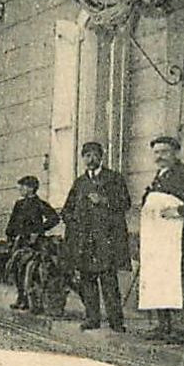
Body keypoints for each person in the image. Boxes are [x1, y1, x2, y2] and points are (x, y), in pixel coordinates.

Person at [139, 136, 184, 343]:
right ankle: (163, 325)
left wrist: (180, 210)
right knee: (158, 278)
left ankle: (180, 328)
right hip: (156, 236)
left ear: (176, 153)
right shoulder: (159, 175)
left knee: (174, 278)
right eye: (156, 153)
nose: (160, 157)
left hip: (174, 237)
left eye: (165, 152)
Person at [62, 141, 131, 331]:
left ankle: (116, 322)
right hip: (85, 241)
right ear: (83, 158)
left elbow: (125, 203)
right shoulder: (80, 183)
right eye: (87, 155)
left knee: (108, 281)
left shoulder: (114, 178)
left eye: (94, 155)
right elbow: (66, 210)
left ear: (101, 157)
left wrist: (104, 200)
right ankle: (92, 318)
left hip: (106, 240)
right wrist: (73, 223)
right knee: (87, 281)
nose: (90, 159)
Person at [5, 174, 61, 314]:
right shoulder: (19, 204)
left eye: (23, 187)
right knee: (16, 269)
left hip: (34, 243)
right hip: (19, 242)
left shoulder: (39, 204)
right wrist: (10, 236)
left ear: (31, 188)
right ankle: (20, 298)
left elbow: (54, 218)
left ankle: (30, 300)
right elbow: (12, 222)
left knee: (27, 270)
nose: (20, 189)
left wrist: (39, 231)